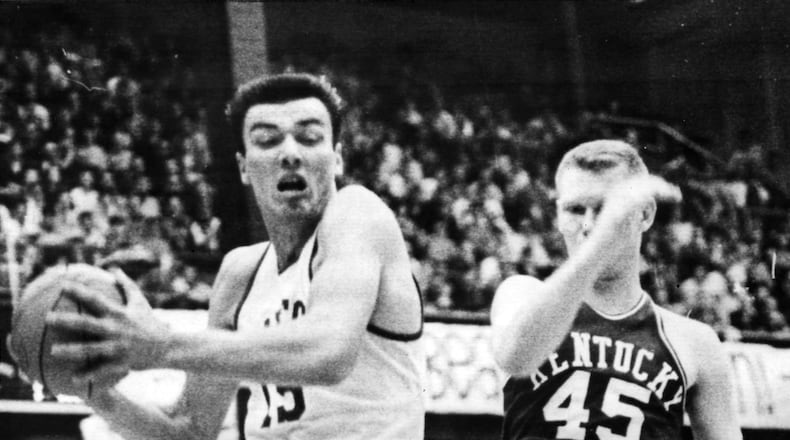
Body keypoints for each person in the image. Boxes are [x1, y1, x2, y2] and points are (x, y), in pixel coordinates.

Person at [47, 73, 426, 440]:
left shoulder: (359, 213)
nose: (290, 153)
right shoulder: (240, 274)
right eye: (268, 140)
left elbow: (327, 352)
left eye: (310, 138)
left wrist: (162, 345)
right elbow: (189, 431)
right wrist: (93, 391)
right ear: (244, 167)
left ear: (337, 159)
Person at [490, 140, 742, 440]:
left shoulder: (695, 342)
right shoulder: (521, 293)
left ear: (645, 215)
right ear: (557, 215)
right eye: (574, 209)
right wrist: (606, 233)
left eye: (604, 208)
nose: (589, 224)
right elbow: (515, 357)